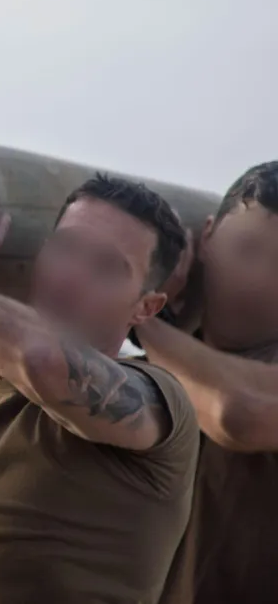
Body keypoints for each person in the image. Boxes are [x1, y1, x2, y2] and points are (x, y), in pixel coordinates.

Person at [0, 173, 200, 603]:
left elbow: (44, 360)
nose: (71, 277)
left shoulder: (160, 402)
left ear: (146, 307)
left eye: (107, 268)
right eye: (65, 248)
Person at [136, 161, 278, 603]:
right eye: (246, 248)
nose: (257, 282)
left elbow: (237, 410)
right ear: (209, 235)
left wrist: (138, 316)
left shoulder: (151, 337)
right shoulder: (148, 361)